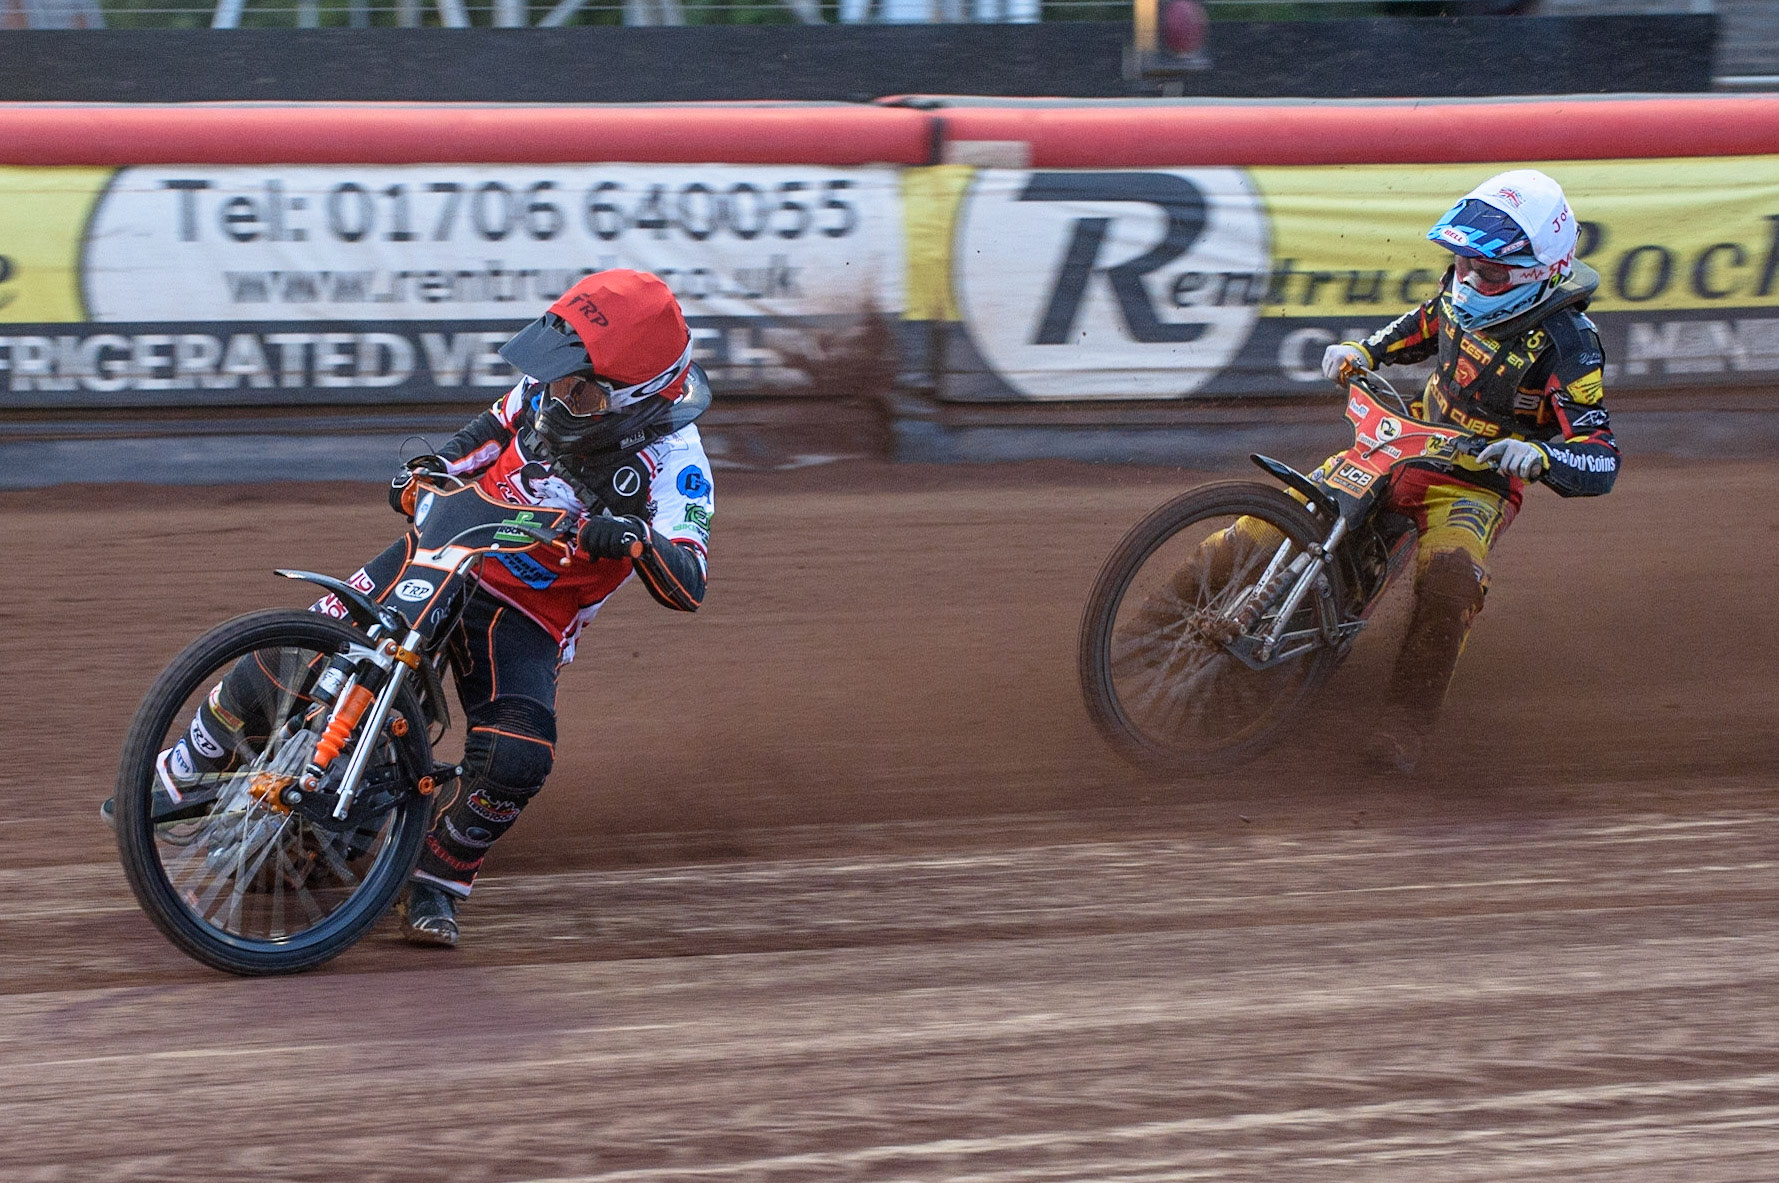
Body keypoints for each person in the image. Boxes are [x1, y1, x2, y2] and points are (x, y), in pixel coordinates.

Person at [112, 269, 716, 948]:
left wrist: (635, 538)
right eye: (557, 377)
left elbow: (688, 576)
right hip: (441, 549)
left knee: (517, 756)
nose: (555, 394)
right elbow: (487, 430)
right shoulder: (551, 388)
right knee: (284, 652)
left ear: (632, 397)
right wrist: (430, 467)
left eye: (577, 388)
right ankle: (180, 769)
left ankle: (441, 874)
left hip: (525, 613)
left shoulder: (677, 464)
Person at [1318, 169, 1617, 772]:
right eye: (1462, 263)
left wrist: (1542, 457)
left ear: (1542, 271)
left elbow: (1601, 455)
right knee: (1274, 521)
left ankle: (1403, 732)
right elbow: (1426, 323)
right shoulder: (1460, 289)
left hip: (1475, 483)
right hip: (1406, 442)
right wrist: (1366, 351)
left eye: (1490, 272)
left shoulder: (1570, 344)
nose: (1470, 279)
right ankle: (1159, 624)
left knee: (1452, 579)